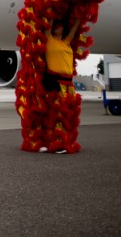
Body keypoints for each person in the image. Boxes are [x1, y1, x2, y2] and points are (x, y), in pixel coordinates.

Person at [40, 19, 81, 154]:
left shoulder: (65, 42)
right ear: (53, 29)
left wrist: (77, 21)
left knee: (69, 114)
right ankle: (56, 143)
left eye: (62, 27)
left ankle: (66, 141)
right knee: (56, 113)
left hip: (69, 83)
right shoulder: (49, 40)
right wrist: (50, 14)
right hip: (57, 83)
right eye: (58, 27)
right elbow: (47, 27)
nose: (61, 29)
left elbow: (74, 31)